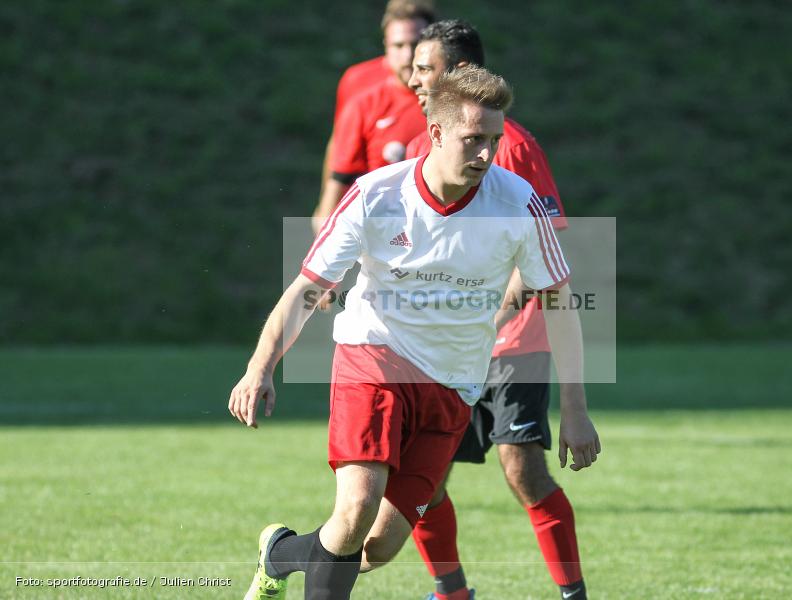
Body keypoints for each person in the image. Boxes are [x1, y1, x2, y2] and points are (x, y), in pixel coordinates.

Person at [230, 65, 600, 600]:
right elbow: (307, 288)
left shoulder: (517, 202)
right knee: (356, 507)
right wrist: (259, 367)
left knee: (376, 547)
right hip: (372, 358)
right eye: (474, 140)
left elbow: (559, 303)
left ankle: (280, 553)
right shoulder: (376, 194)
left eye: (494, 140)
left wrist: (576, 407)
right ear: (435, 134)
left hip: (453, 384)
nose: (486, 155)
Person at [404, 20, 589, 600]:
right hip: (444, 349)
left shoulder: (513, 146)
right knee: (423, 481)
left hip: (513, 345)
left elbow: (544, 249)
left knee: (524, 472)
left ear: (457, 74)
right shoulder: (422, 145)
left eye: (424, 68)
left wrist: (487, 315)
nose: (411, 79)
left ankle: (573, 594)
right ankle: (451, 592)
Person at [312, 1, 435, 234]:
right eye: (399, 45)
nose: (408, 55)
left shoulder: (452, 94)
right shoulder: (360, 84)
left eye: (416, 43)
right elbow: (340, 148)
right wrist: (325, 210)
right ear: (387, 43)